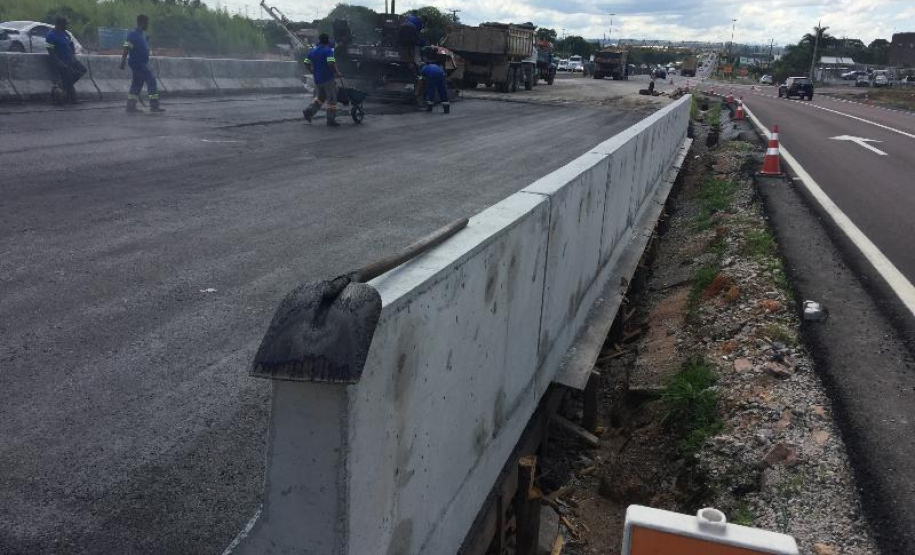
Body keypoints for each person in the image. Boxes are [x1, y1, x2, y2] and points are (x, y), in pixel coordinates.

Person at [120, 15, 163, 113]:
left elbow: (140, 47)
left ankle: (130, 107)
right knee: (151, 81)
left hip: (141, 63)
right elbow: (127, 47)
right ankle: (154, 106)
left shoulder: (141, 35)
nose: (147, 25)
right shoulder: (132, 34)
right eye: (146, 23)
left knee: (136, 84)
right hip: (137, 63)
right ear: (142, 22)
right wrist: (123, 61)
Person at [303, 33, 342, 127]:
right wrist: (337, 73)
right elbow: (331, 63)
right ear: (327, 41)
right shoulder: (328, 51)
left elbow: (306, 63)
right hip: (328, 78)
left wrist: (312, 71)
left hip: (317, 79)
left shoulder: (313, 51)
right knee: (332, 99)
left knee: (320, 98)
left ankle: (309, 111)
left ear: (319, 40)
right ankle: (331, 120)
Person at [45, 17, 87, 105]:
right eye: (65, 24)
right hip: (61, 62)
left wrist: (73, 56)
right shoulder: (50, 35)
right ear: (59, 24)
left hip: (71, 61)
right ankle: (72, 99)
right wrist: (59, 63)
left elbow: (71, 45)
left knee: (82, 70)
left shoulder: (65, 34)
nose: (66, 26)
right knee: (67, 78)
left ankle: (61, 87)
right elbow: (51, 52)